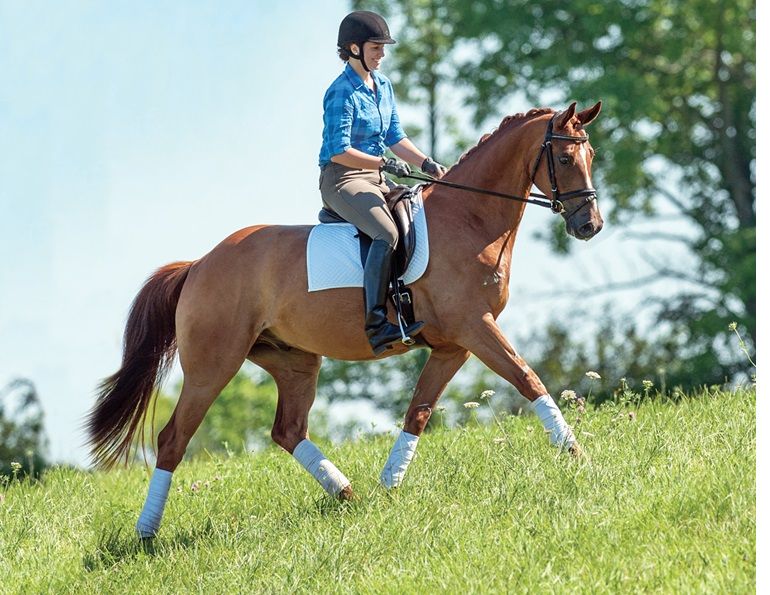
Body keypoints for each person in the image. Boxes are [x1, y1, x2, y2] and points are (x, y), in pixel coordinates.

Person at [318, 10, 448, 356]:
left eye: (383, 47)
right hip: (342, 179)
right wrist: (385, 163)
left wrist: (427, 163)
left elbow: (394, 135)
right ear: (354, 48)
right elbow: (339, 150)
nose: (382, 54)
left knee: (419, 216)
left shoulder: (383, 85)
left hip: (377, 178)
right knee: (386, 233)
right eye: (376, 47)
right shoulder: (340, 92)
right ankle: (376, 323)